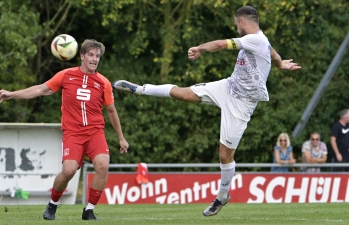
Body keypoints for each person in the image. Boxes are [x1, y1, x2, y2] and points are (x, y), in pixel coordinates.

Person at [112, 6, 300, 217]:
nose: (236, 27)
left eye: (236, 23)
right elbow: (273, 52)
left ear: (243, 22)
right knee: (182, 94)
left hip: (242, 104)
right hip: (228, 87)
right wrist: (280, 64)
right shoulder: (261, 40)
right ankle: (138, 89)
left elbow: (221, 44)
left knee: (224, 155)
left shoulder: (254, 39)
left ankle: (222, 196)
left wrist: (200, 48)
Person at [0, 39, 129, 220]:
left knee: (103, 165)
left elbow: (112, 111)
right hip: (73, 133)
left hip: (95, 132)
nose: (94, 59)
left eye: (97, 56)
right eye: (91, 55)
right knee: (68, 171)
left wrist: (121, 138)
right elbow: (41, 89)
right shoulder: (66, 75)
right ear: (82, 56)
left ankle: (89, 210)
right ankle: (52, 204)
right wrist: (13, 94)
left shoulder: (103, 82)